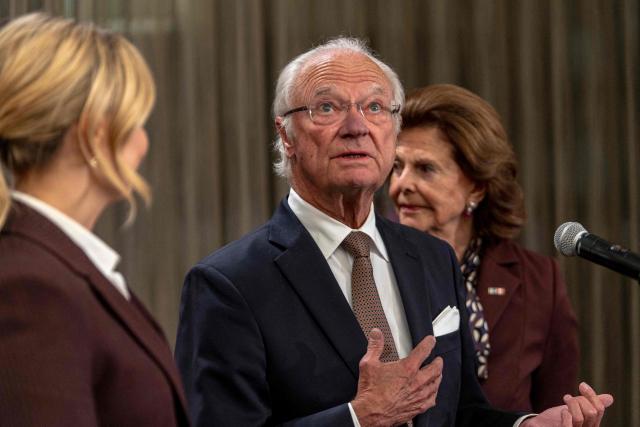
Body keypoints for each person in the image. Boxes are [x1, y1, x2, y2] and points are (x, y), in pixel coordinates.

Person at [175, 37, 611, 427]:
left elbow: (459, 412)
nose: (356, 126)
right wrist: (357, 419)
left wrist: (526, 425)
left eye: (375, 107)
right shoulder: (227, 284)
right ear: (286, 135)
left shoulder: (433, 258)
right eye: (327, 107)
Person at [0, 13, 189, 426]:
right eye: (137, 121)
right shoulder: (30, 287)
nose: (143, 142)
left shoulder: (56, 267)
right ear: (95, 133)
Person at [388, 83, 580, 413]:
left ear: (476, 186)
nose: (402, 184)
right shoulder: (371, 264)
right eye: (396, 166)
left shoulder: (538, 280)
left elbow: (556, 408)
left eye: (425, 169)